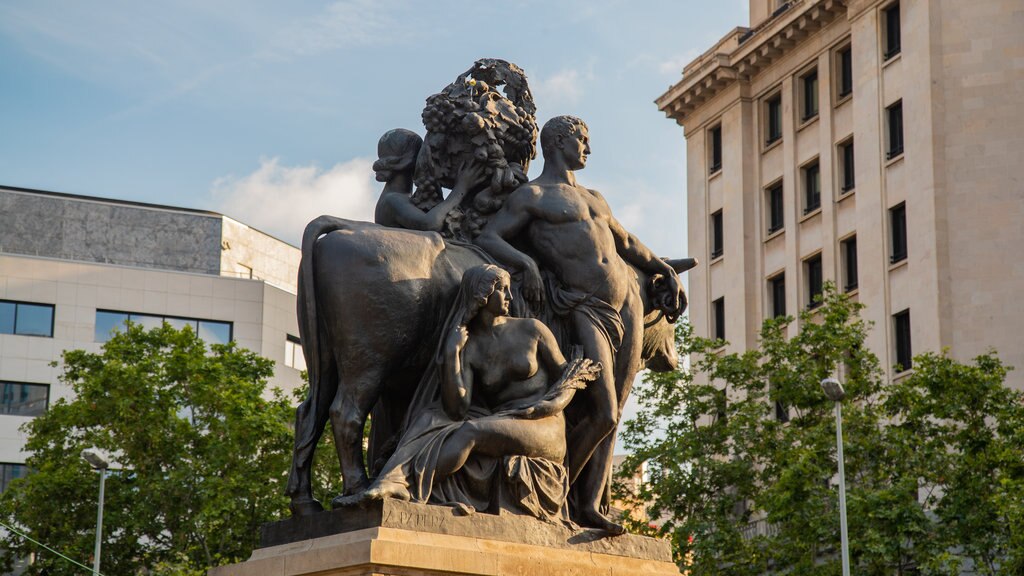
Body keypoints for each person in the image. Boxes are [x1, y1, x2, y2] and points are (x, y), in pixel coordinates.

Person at [475, 116, 684, 533]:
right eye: (581, 139)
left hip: (626, 306)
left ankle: (588, 504)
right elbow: (489, 237)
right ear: (557, 141)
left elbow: (625, 243)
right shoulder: (532, 195)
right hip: (585, 308)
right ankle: (558, 496)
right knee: (603, 411)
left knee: (617, 412)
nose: (587, 147)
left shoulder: (595, 197)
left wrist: (664, 268)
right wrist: (526, 261)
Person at [344, 264, 599, 521]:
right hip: (503, 422)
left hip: (544, 425)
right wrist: (451, 354)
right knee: (431, 420)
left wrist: (550, 406)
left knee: (471, 432)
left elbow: (572, 376)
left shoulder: (532, 329)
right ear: (483, 295)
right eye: (503, 290)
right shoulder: (470, 345)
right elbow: (457, 407)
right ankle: (392, 481)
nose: (510, 297)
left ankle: (405, 484)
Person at [372, 128, 485, 231]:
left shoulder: (398, 197)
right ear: (411, 160)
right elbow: (429, 224)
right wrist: (461, 188)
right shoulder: (392, 199)